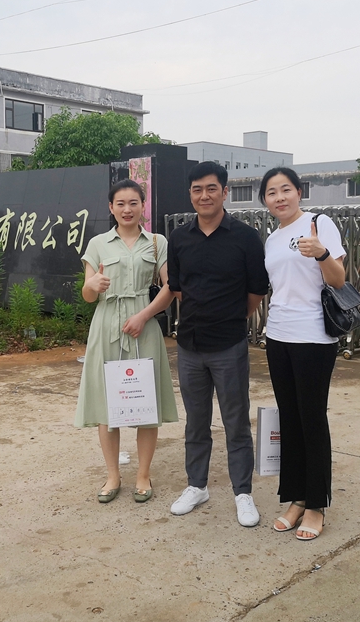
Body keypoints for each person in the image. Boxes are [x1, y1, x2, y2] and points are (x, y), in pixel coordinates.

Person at [166, 161, 269, 527]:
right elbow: (178, 289)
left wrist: (231, 318)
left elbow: (256, 291)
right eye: (197, 189)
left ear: (225, 192)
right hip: (190, 346)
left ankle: (243, 493)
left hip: (229, 346)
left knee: (236, 422)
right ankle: (197, 486)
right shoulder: (179, 238)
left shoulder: (245, 237)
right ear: (190, 194)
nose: (204, 195)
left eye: (211, 188)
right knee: (196, 422)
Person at [74, 179, 179, 504]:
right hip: (107, 324)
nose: (127, 209)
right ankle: (112, 476)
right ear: (111, 207)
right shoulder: (98, 244)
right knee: (107, 403)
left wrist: (144, 316)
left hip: (143, 325)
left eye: (133, 203)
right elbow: (87, 295)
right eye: (120, 203)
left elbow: (170, 287)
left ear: (143, 205)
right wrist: (92, 285)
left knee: (145, 401)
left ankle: (143, 475)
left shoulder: (158, 242)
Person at [260, 167, 347, 541]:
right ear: (265, 201)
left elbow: (338, 279)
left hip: (313, 337)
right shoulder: (272, 239)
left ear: (299, 191)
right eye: (271, 192)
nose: (279, 197)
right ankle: (295, 498)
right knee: (290, 420)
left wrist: (322, 253)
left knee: (312, 419)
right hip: (278, 336)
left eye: (286, 189)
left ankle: (315, 505)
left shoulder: (319, 224)